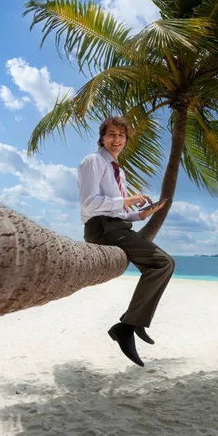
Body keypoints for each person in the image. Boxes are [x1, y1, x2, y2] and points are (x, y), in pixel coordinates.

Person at [78, 116, 175, 367]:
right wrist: (128, 200)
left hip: (116, 225)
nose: (116, 139)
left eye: (121, 135)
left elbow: (118, 211)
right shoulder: (94, 162)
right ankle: (128, 325)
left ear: (126, 140)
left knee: (163, 265)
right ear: (102, 137)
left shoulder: (118, 170)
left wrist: (140, 214)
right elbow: (90, 203)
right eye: (111, 134)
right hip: (101, 229)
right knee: (163, 264)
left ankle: (134, 322)